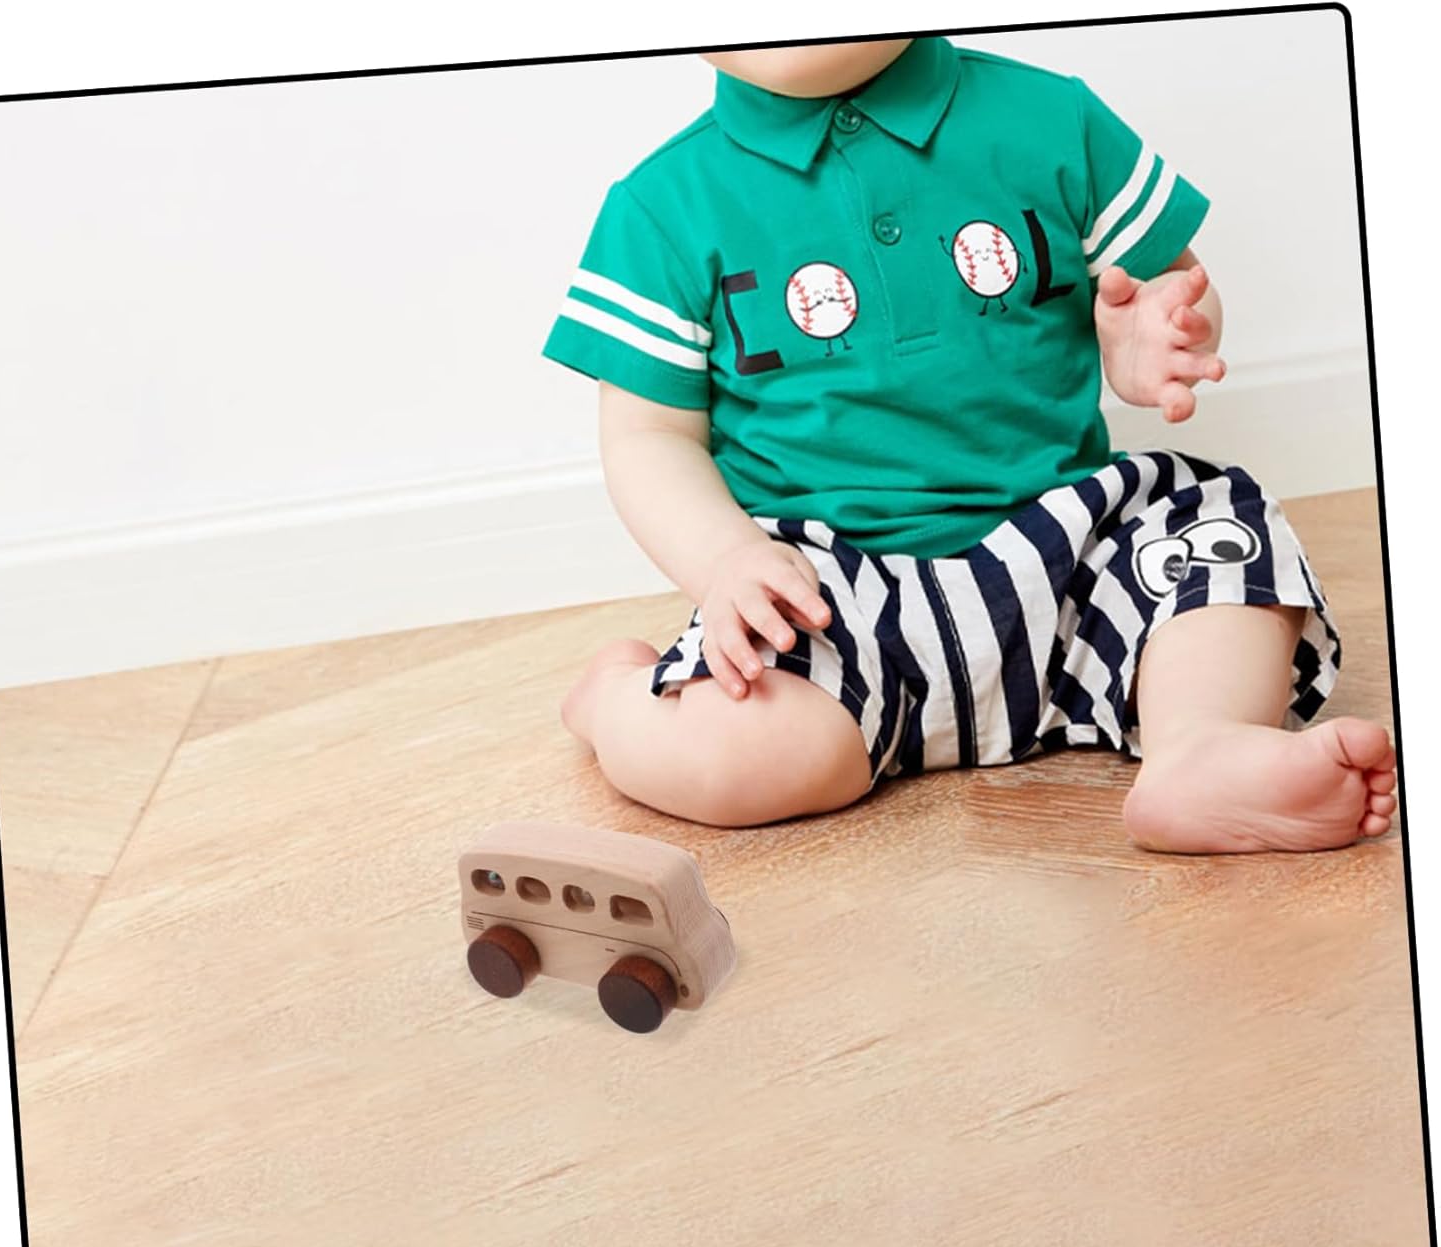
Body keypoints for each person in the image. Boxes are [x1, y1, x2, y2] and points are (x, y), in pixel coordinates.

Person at [542, 36, 1396, 851]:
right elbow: (650, 437)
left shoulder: (1051, 117)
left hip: (1071, 554)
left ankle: (1200, 745)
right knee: (738, 753)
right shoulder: (660, 206)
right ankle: (617, 702)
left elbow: (1178, 281)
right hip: (828, 592)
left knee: (1217, 527)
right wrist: (726, 560)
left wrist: (1160, 332)